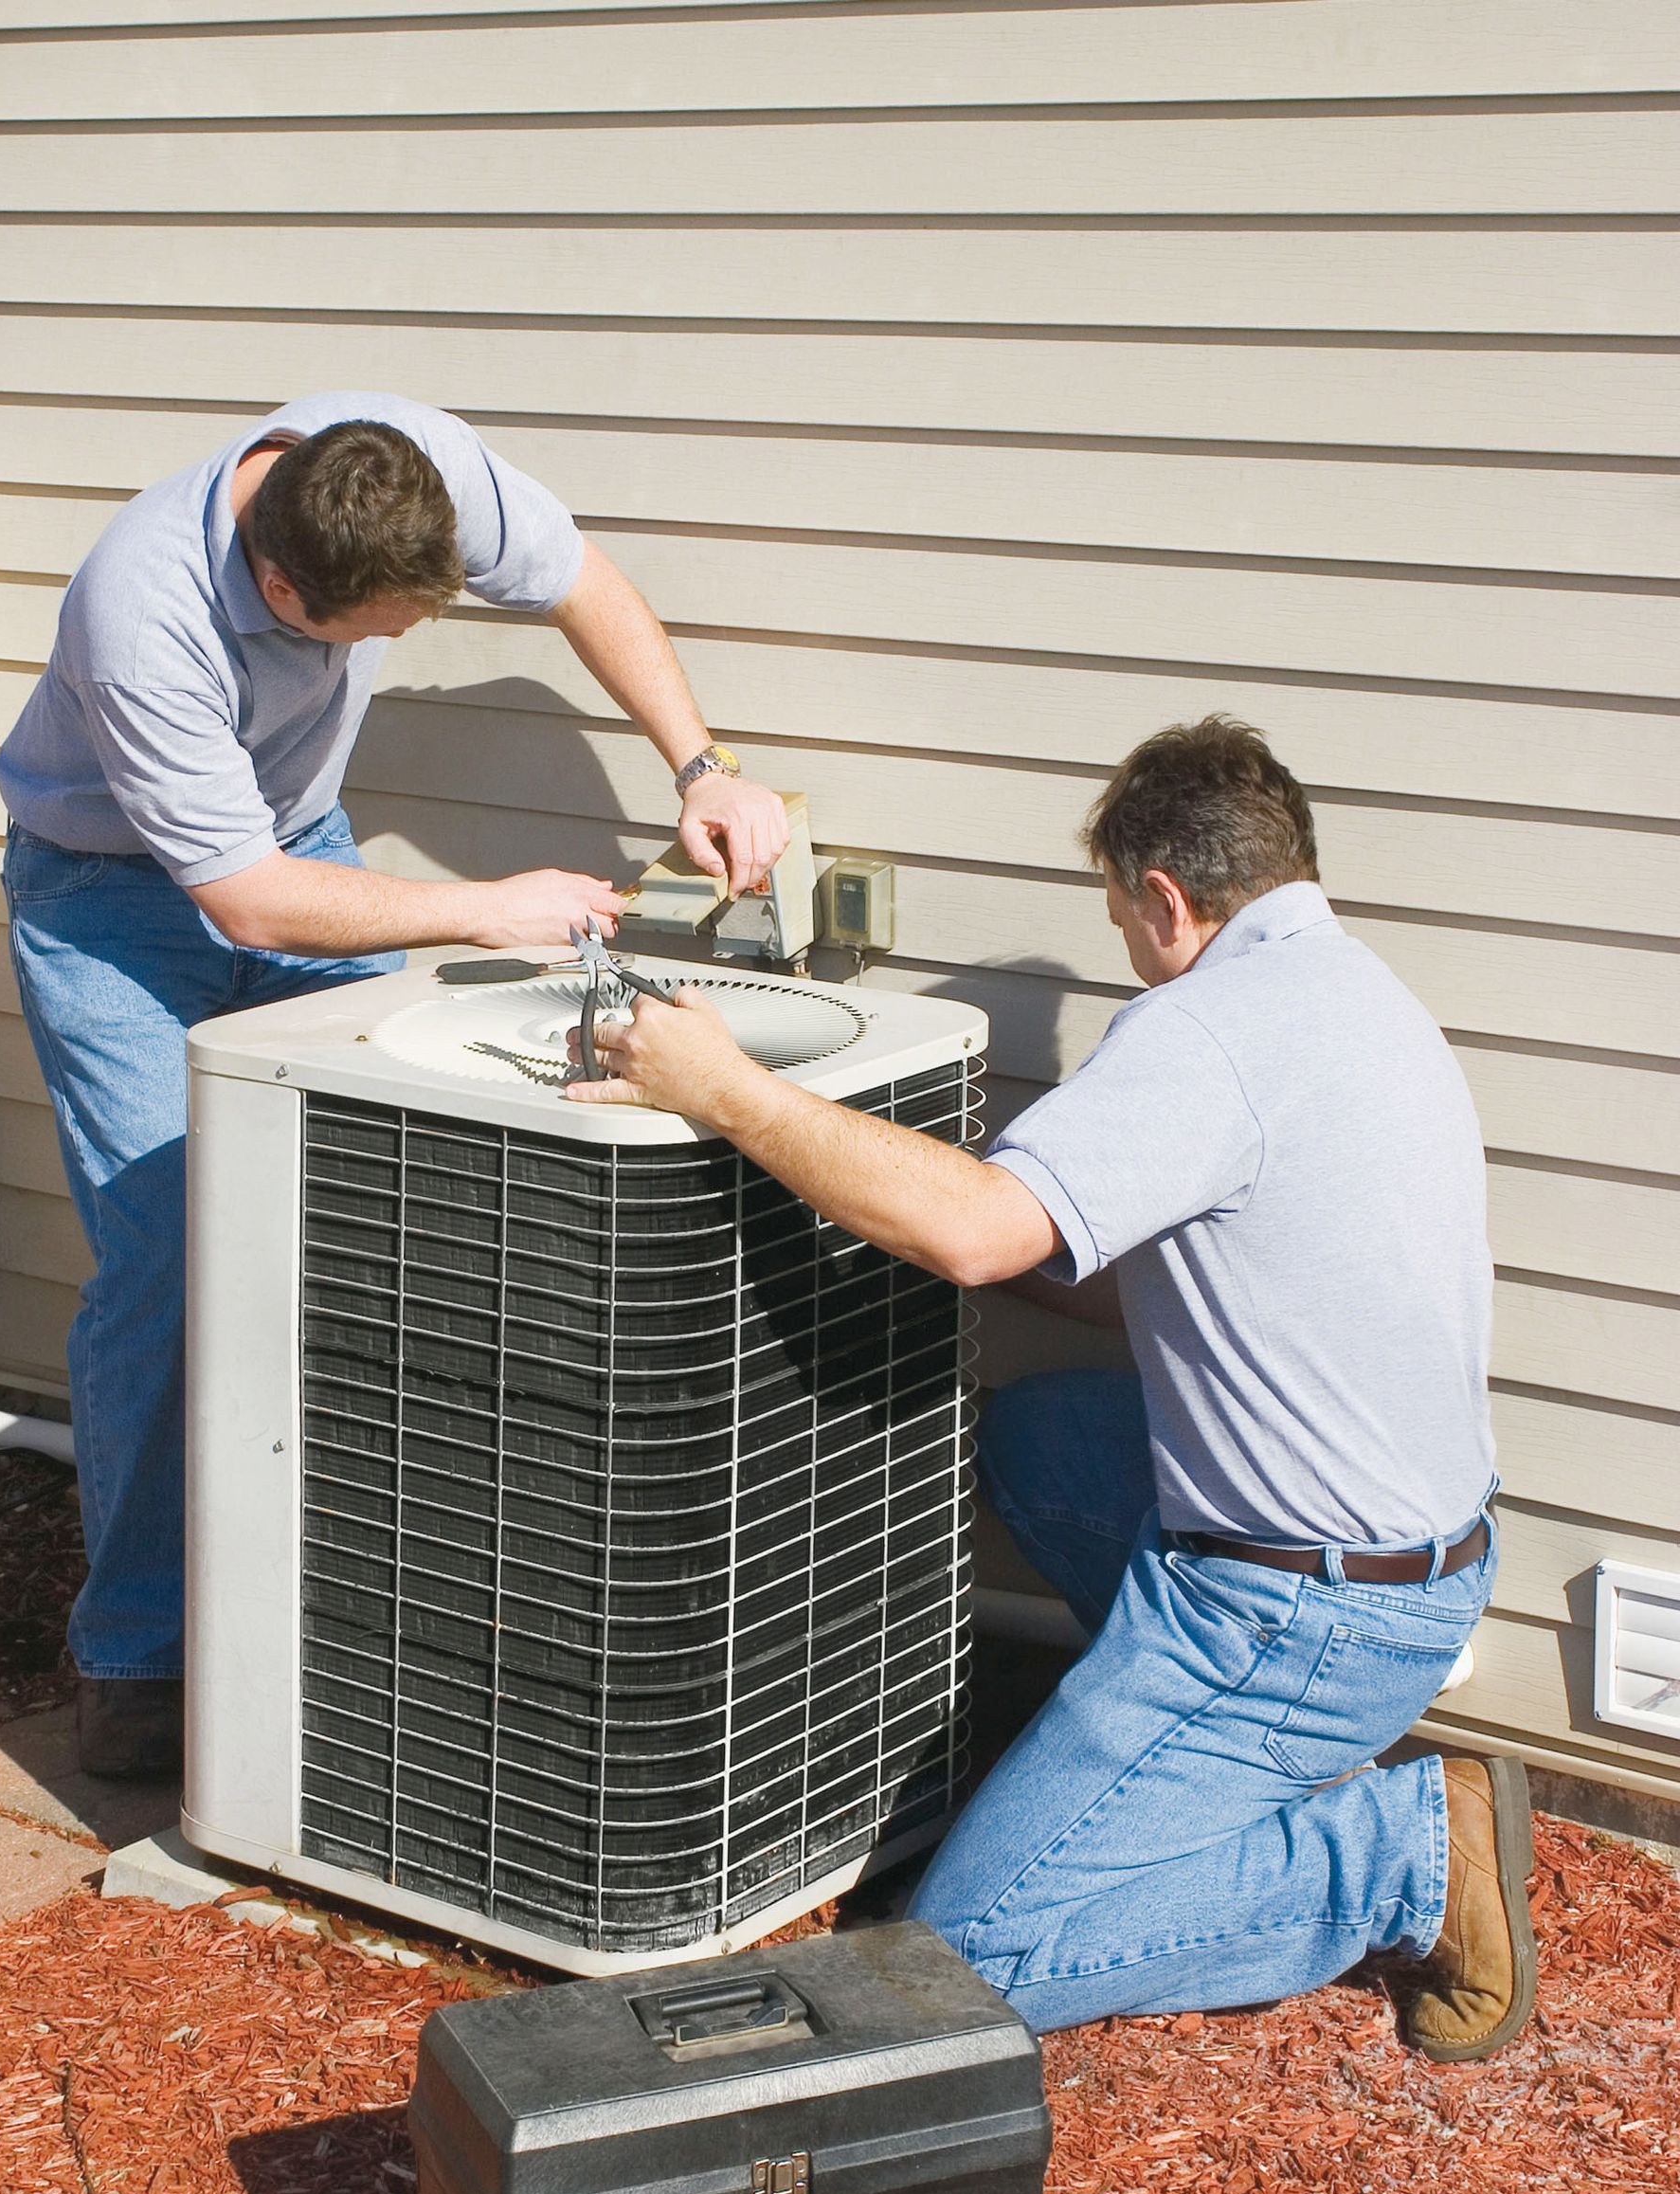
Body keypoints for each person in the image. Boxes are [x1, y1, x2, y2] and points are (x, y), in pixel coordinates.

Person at [573, 716, 1536, 2066]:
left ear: (1164, 898)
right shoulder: (1360, 996)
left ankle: (1397, 1858)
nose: (1128, 950)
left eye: (1122, 919)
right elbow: (1138, 1269)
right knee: (1037, 1437)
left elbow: (976, 1232)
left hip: (1292, 1612)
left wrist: (729, 1091)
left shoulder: (1207, 1032)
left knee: (969, 1961)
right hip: (1419, 1561)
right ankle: (1192, 1774)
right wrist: (913, 1207)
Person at [0, 391, 786, 1779]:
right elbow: (246, 903)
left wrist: (702, 764)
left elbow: (583, 581)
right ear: (281, 586)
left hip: (302, 853)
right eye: (377, 633)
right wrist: (484, 910)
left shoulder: (401, 467)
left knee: (373, 1211)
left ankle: (353, 1611)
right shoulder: (145, 610)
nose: (405, 648)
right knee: (172, 1246)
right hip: (116, 899)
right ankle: (136, 1651)